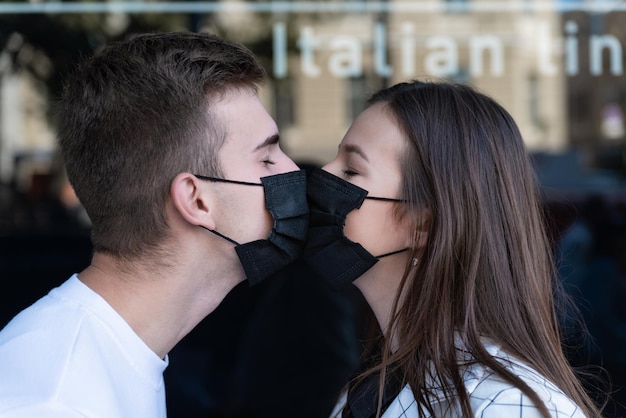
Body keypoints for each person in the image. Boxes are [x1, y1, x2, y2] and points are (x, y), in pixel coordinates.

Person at [0, 31, 308, 417]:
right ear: (196, 199)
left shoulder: (106, 359)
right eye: (266, 159)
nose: (293, 170)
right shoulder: (55, 402)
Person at [303, 80, 603, 417]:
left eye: (351, 170)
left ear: (424, 225)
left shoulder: (508, 408)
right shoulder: (367, 391)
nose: (321, 176)